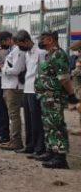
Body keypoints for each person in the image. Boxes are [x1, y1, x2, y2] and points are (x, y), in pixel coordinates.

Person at [34, 31, 76, 169]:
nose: (40, 41)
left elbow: (64, 78)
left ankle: (60, 157)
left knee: (56, 126)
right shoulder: (49, 54)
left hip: (54, 97)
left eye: (42, 39)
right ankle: (51, 151)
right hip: (46, 96)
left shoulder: (59, 54)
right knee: (49, 126)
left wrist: (71, 95)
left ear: (50, 40)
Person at [13, 30, 47, 156]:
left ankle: (39, 147)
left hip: (36, 90)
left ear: (26, 41)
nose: (19, 47)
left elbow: (44, 72)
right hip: (27, 89)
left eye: (20, 44)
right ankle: (30, 145)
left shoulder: (41, 52)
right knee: (28, 120)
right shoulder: (27, 53)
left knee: (36, 120)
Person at [0, 31, 26, 151]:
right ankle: (13, 139)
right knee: (12, 115)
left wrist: (3, 69)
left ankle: (16, 141)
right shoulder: (13, 50)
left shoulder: (18, 51)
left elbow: (16, 70)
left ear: (9, 39)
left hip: (14, 86)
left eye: (4, 41)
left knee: (14, 115)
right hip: (9, 85)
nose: (3, 44)